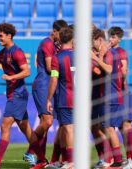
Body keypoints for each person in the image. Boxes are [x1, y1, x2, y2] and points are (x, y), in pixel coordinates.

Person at [0, 23, 43, 169]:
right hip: (14, 94)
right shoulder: (3, 52)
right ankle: (42, 160)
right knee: (26, 129)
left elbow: (27, 72)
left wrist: (11, 78)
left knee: (5, 125)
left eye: (0, 36)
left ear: (9, 35)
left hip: (18, 94)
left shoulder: (17, 52)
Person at [23, 20, 68, 167]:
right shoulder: (48, 43)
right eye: (60, 33)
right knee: (47, 121)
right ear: (54, 31)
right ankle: (30, 151)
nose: (61, 37)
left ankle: (41, 160)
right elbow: (49, 67)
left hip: (50, 85)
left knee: (46, 123)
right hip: (43, 84)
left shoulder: (55, 45)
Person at [91, 28, 125, 168]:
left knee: (110, 129)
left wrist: (94, 58)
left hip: (111, 97)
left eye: (92, 42)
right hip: (108, 96)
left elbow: (109, 69)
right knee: (107, 128)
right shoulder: (106, 53)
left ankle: (117, 161)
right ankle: (114, 159)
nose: (91, 45)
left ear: (99, 40)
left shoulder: (109, 54)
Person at [108, 26, 132, 168]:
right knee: (121, 128)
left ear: (119, 38)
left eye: (113, 37)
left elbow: (124, 70)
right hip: (115, 93)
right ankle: (129, 159)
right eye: (110, 36)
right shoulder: (110, 52)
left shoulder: (121, 52)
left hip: (123, 92)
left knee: (126, 126)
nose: (111, 39)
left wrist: (120, 81)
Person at [46, 26, 75, 169]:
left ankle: (71, 161)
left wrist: (48, 98)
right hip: (80, 98)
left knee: (68, 128)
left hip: (65, 98)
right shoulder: (80, 56)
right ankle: (65, 160)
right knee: (65, 128)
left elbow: (53, 79)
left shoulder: (57, 58)